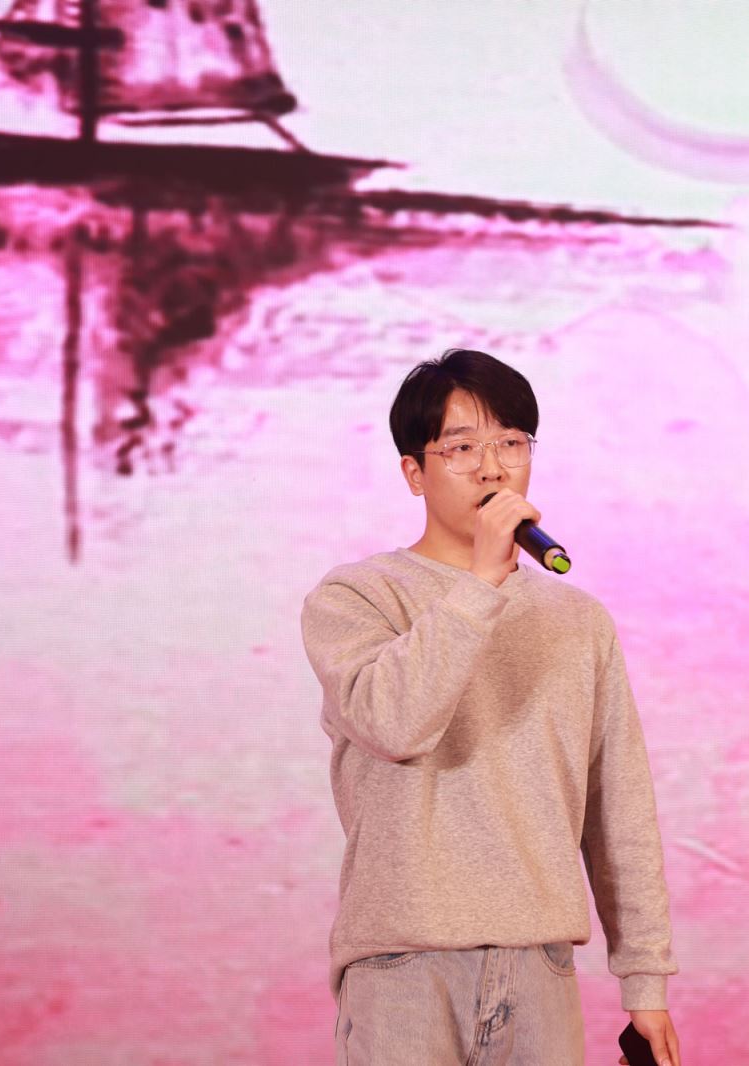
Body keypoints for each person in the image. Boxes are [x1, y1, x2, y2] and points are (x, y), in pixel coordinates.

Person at [300, 348, 683, 1066]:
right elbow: (395, 723)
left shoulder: (578, 621)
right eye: (462, 448)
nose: (492, 468)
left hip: (540, 964)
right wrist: (480, 583)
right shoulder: (357, 597)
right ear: (414, 472)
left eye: (511, 443)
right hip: (404, 966)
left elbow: (619, 805)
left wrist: (645, 979)